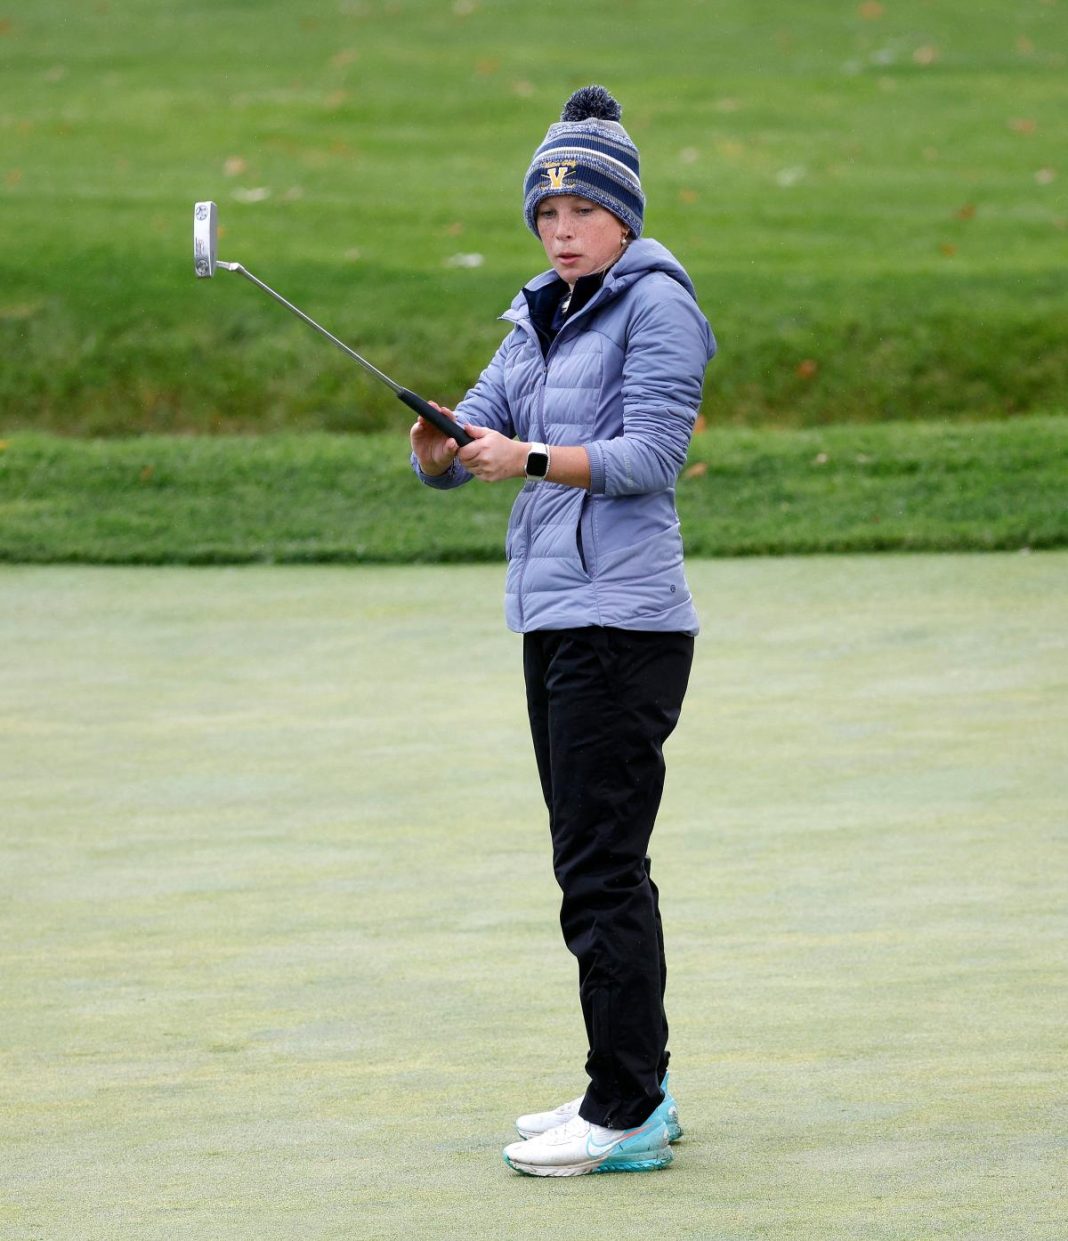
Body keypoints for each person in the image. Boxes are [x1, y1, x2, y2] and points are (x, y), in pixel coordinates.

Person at [409, 84, 716, 1177]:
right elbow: (475, 422)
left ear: (622, 214)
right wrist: (441, 445)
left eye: (580, 211)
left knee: (600, 867)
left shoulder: (656, 305)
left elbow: (647, 458)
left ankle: (623, 1102)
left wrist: (528, 457)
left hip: (623, 625)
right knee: (596, 860)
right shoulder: (540, 310)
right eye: (545, 215)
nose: (561, 229)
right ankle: (637, 1084)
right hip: (552, 616)